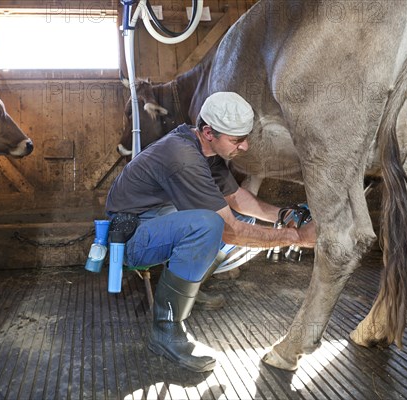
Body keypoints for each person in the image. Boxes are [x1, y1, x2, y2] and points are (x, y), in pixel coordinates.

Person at [105, 92, 316, 373]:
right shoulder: (182, 156)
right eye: (237, 140)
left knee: (224, 216)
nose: (245, 146)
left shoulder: (206, 149)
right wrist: (297, 238)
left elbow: (237, 197)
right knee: (210, 225)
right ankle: (166, 331)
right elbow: (231, 232)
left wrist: (282, 215)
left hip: (157, 221)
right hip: (131, 238)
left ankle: (190, 283)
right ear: (208, 132)